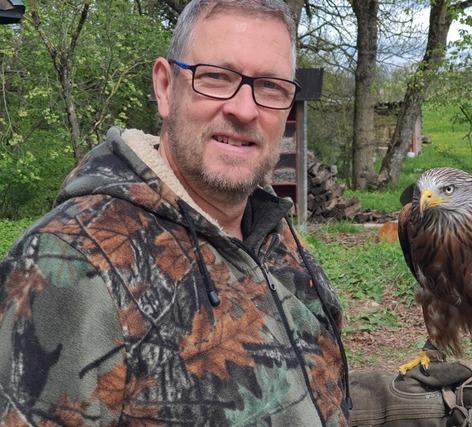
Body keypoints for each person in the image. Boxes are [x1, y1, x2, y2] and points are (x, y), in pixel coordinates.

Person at [0, 1, 350, 425]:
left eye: (271, 87)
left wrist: (388, 405)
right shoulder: (68, 266)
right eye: (216, 78)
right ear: (165, 88)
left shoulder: (273, 232)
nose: (244, 109)